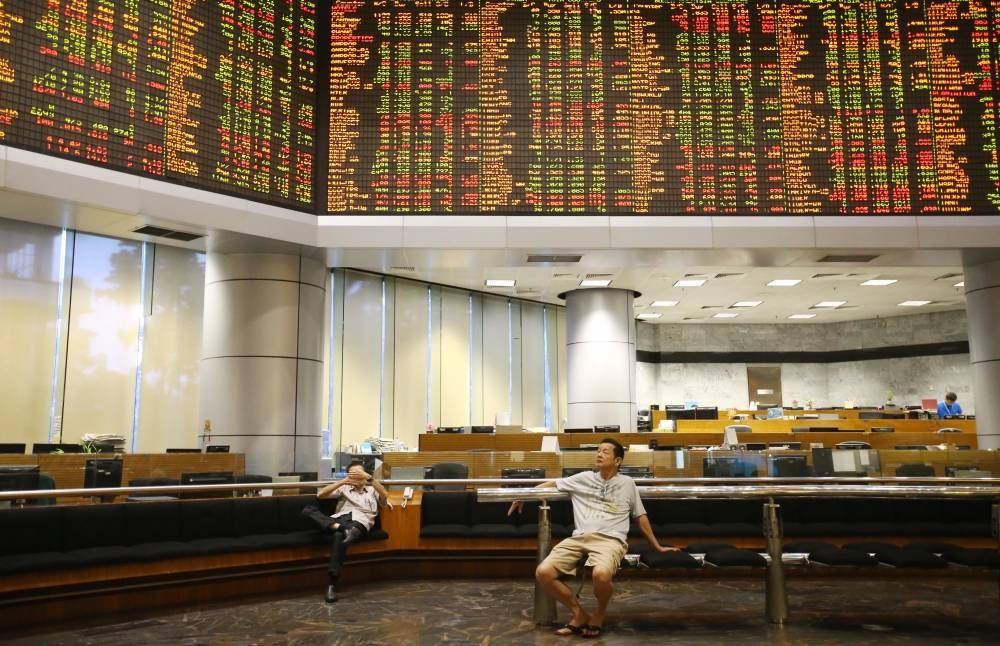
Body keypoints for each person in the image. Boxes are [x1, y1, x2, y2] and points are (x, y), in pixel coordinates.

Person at [508, 437, 676, 638]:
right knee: (543, 572)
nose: (599, 454)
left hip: (610, 539)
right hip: (579, 538)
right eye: (598, 450)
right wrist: (523, 496)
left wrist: (657, 546)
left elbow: (640, 516)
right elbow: (552, 482)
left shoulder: (628, 483)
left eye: (605, 451)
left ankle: (599, 613)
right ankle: (578, 613)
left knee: (601, 575)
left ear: (618, 461)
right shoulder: (583, 478)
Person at [301, 463, 388, 602]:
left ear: (365, 475)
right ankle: (346, 530)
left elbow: (385, 495)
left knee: (338, 536)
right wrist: (342, 481)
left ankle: (332, 585)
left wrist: (370, 479)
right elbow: (320, 495)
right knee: (307, 510)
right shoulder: (344, 487)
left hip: (360, 521)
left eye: (359, 473)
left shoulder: (372, 490)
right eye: (352, 474)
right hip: (341, 519)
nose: (356, 476)